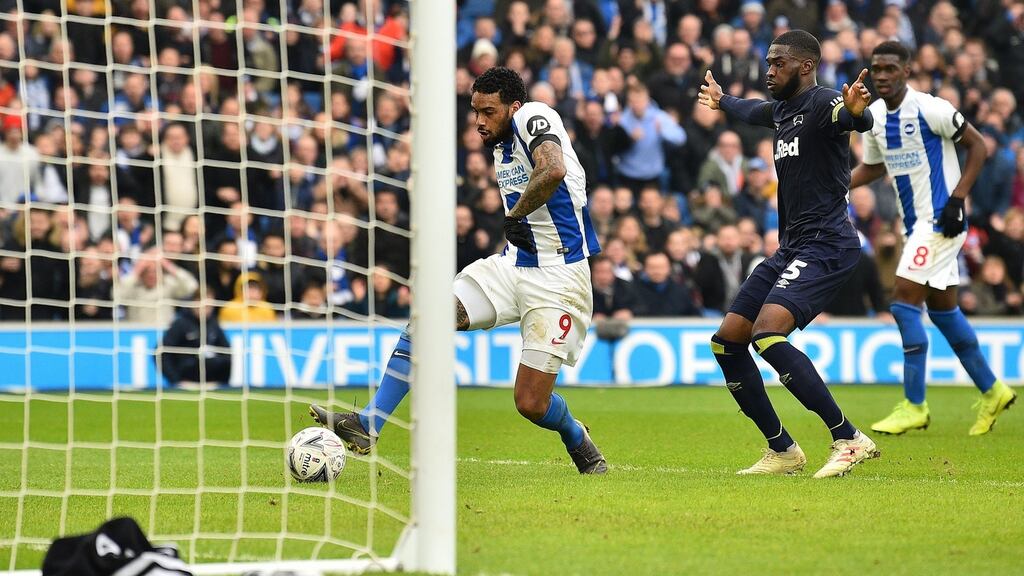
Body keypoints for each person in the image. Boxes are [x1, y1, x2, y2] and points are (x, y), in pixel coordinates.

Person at [309, 67, 607, 474]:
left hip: (559, 277)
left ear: (514, 107)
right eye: (475, 112)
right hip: (513, 264)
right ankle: (369, 423)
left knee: (531, 404)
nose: (480, 121)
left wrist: (515, 214)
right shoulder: (502, 146)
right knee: (430, 315)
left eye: (489, 111)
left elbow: (553, 168)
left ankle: (575, 435)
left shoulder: (535, 115)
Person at [701, 30, 880, 478]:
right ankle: (782, 449)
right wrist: (723, 101)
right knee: (727, 342)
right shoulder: (782, 111)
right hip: (792, 247)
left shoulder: (822, 104)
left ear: (805, 66)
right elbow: (751, 110)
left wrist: (858, 113)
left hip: (828, 242)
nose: (769, 69)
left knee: (767, 333)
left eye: (778, 62)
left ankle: (848, 437)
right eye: (768, 62)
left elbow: (851, 118)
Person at [850, 41, 1016, 436]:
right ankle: (993, 390)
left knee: (904, 302)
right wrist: (835, 184)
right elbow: (873, 168)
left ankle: (914, 404)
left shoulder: (931, 108)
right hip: (915, 225)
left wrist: (958, 199)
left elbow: (978, 145)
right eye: (877, 69)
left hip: (942, 220)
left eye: (891, 68)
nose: (883, 75)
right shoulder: (873, 116)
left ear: (908, 70)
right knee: (943, 311)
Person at [158, 291, 231, 386]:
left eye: (209, 306)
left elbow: (227, 351)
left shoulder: (214, 324)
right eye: (203, 305)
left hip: (212, 382)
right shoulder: (180, 324)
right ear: (194, 304)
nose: (206, 310)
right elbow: (161, 352)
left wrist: (223, 382)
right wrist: (175, 380)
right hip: (187, 379)